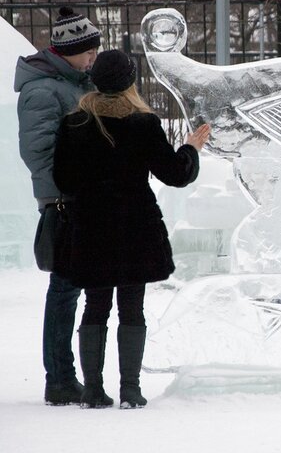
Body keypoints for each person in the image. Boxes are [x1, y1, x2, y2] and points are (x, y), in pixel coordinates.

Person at [52, 49, 211, 409]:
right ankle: (130, 389)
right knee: (132, 306)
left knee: (95, 305)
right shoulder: (143, 123)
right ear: (130, 82)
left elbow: (63, 179)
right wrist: (190, 148)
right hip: (134, 228)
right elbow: (175, 173)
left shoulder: (74, 123)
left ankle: (93, 390)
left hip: (91, 227)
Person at [14, 6, 101, 406]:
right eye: (88, 51)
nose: (93, 57)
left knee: (71, 288)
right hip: (64, 201)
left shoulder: (74, 83)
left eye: (95, 50)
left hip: (80, 198)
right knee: (64, 290)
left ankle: (65, 376)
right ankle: (60, 378)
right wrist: (71, 188)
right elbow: (38, 152)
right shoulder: (43, 91)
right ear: (67, 52)